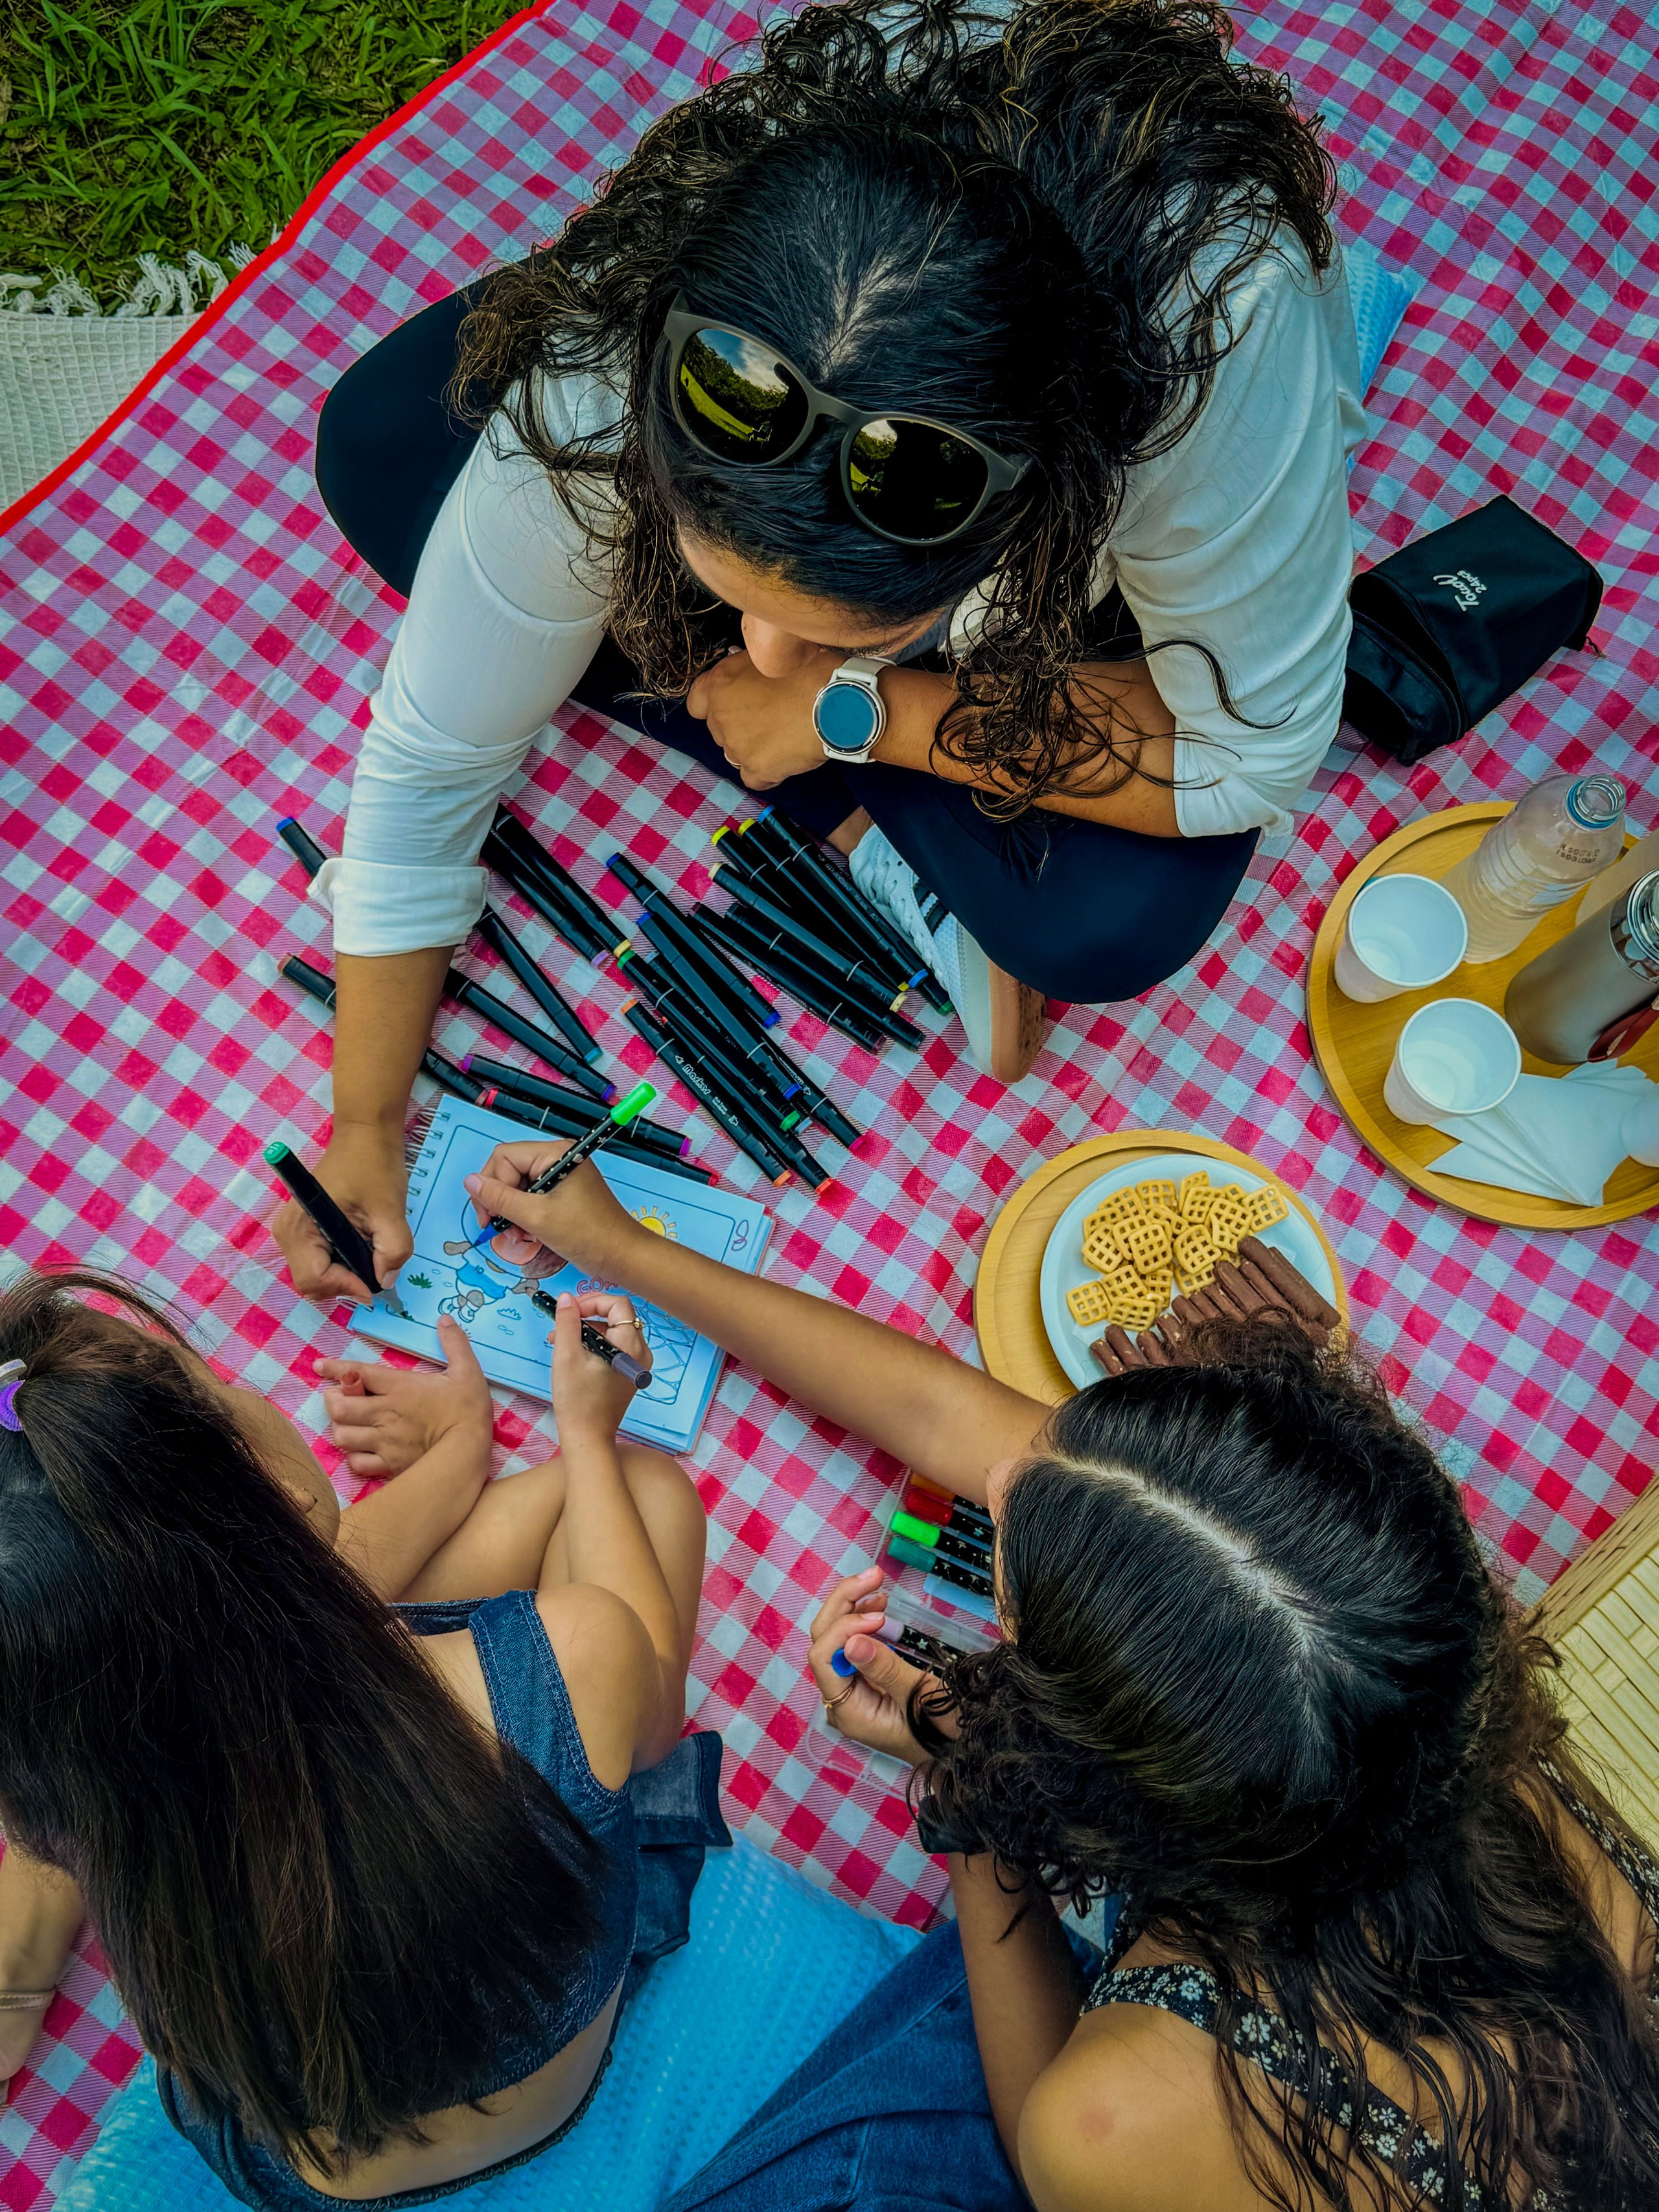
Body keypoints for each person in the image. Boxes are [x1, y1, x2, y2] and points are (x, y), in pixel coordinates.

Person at [280, 0, 1362, 1302]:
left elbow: (1251, 752)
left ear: (1044, 517)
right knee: (392, 447)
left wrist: (857, 716)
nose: (761, 652)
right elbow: (433, 758)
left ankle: (854, 778)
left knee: (1112, 918)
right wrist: (362, 1124)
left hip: (1085, 487)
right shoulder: (598, 369)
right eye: (713, 577)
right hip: (790, 431)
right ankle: (869, 820)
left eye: (839, 626)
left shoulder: (1218, 335)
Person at [450, 1139, 1659, 2211]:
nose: (1002, 1473)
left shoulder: (1124, 2118)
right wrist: (619, 1247)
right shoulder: (1419, 1662)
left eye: (1013, 1609)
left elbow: (1041, 2146)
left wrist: (976, 1806)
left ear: (1103, 1784)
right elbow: (943, 1412)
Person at [0, 1267, 726, 2204]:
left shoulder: (92, 1795)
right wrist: (585, 1431)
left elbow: (294, 1588)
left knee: (113, 1710)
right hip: (547, 2073)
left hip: (313, 2168)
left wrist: (460, 1451)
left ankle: (17, 1970)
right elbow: (651, 1716)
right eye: (222, 1385)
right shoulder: (576, 1654)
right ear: (269, 1485)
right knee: (646, 1492)